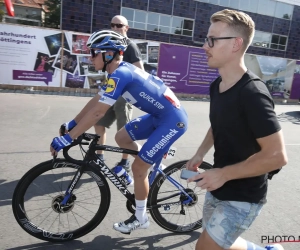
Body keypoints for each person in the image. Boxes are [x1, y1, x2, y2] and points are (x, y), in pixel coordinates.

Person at [50, 30, 188, 234]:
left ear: (108, 54)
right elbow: (96, 101)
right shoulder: (116, 73)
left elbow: (98, 114)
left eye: (93, 52)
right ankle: (151, 156)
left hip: (173, 121)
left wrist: (70, 137)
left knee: (138, 168)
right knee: (121, 136)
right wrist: (73, 123)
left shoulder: (122, 73)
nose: (90, 57)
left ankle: (140, 217)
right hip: (160, 116)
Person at [185, 9, 287, 250]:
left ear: (236, 44)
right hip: (218, 186)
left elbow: (277, 156)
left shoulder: (253, 93)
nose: (204, 46)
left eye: (212, 39)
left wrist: (223, 174)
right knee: (224, 245)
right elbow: (218, 122)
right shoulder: (217, 85)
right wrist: (200, 153)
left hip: (244, 195)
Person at [94, 15, 144, 172]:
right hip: (112, 91)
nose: (115, 28)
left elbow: (140, 72)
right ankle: (99, 157)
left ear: (126, 28)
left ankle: (125, 162)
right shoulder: (111, 45)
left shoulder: (130, 46)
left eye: (119, 25)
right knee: (98, 123)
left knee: (123, 131)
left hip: (125, 95)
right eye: (112, 25)